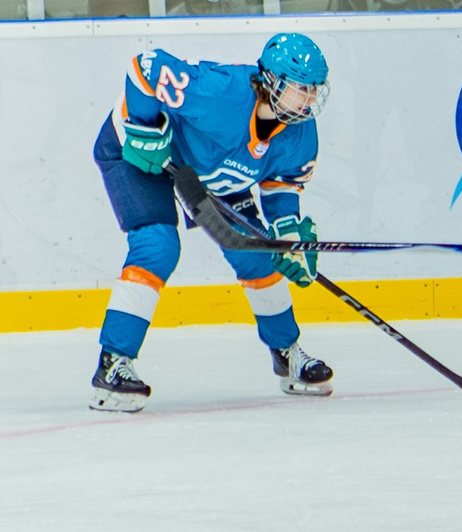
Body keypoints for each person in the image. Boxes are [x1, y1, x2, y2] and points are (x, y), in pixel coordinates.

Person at [90, 34, 334, 412]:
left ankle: (287, 354)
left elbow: (281, 189)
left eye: (314, 89)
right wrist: (143, 126)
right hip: (139, 154)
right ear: (271, 81)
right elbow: (145, 67)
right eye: (300, 88)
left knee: (256, 255)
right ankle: (113, 363)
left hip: (211, 176)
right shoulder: (221, 92)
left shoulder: (300, 134)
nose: (309, 99)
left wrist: (288, 238)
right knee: (157, 246)